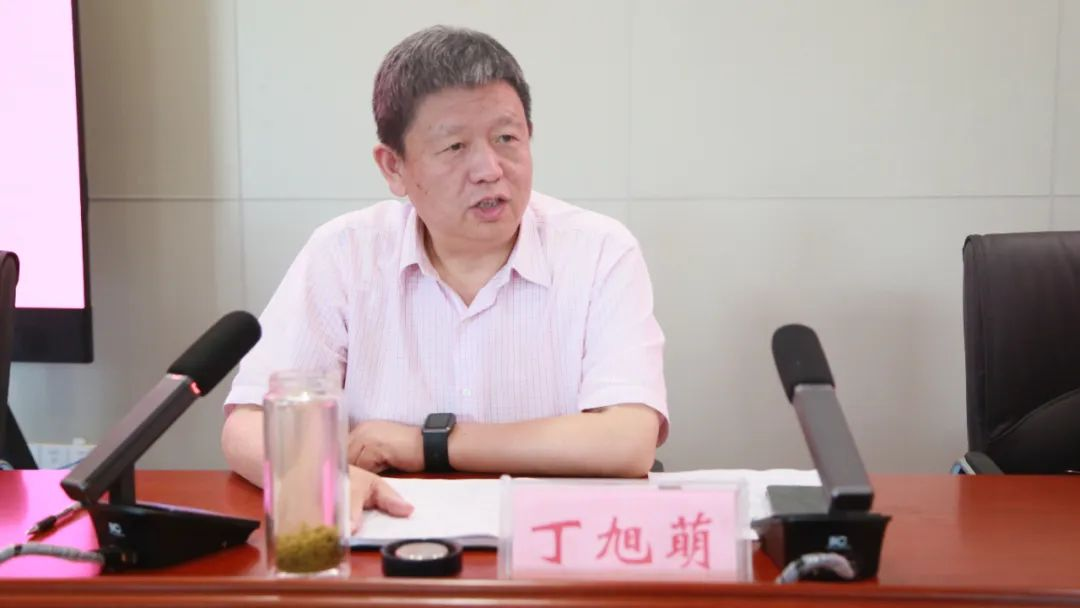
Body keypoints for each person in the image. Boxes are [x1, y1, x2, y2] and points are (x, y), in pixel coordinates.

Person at [220, 25, 668, 528]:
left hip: (552, 541)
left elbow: (629, 440)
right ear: (393, 167)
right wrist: (319, 479)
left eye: (506, 138)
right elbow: (249, 424)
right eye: (455, 147)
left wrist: (426, 445)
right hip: (384, 538)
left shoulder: (599, 250)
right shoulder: (344, 253)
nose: (490, 169)